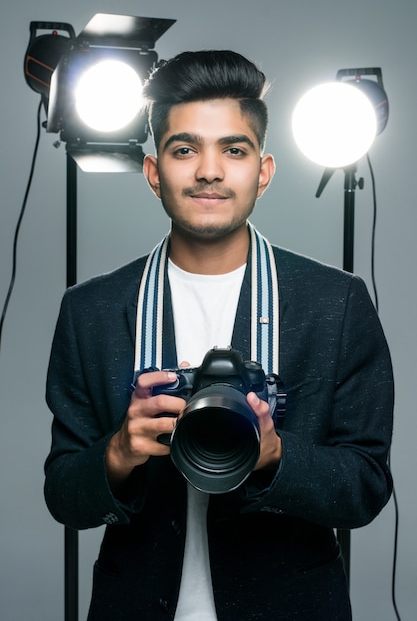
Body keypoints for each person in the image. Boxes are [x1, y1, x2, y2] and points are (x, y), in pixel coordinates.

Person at [44, 50, 394, 621]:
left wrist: (276, 455)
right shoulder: (94, 310)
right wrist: (119, 452)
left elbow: (366, 487)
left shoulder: (334, 302)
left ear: (264, 170)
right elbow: (63, 495)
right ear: (154, 172)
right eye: (185, 149)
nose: (209, 170)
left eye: (234, 149)